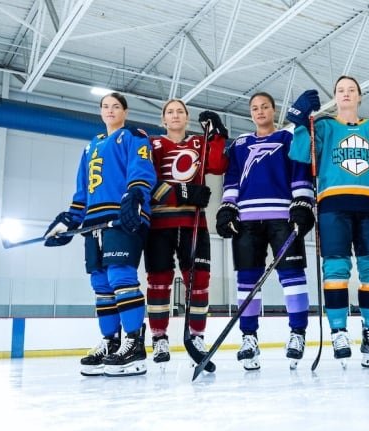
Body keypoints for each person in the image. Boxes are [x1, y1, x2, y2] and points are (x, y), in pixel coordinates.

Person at [287, 76, 369, 368]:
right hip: (333, 207)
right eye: (340, 90)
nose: (346, 94)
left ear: (360, 96)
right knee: (336, 269)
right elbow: (300, 153)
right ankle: (339, 332)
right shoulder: (324, 127)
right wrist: (300, 121)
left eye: (351, 89)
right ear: (335, 97)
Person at [44, 92, 156, 377]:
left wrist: (135, 195)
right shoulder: (90, 146)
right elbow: (82, 190)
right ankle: (111, 342)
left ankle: (134, 343)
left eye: (115, 106)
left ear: (125, 111)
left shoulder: (133, 135)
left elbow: (140, 168)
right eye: (105, 106)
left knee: (121, 277)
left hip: (121, 217)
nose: (109, 110)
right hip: (93, 223)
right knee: (102, 284)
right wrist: (69, 220)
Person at [216, 92, 315, 370]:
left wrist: (303, 202)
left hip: (282, 216)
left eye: (265, 107)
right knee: (247, 280)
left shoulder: (287, 139)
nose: (259, 112)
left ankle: (297, 333)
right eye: (255, 108)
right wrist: (227, 207)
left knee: (292, 276)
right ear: (250, 113)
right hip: (246, 219)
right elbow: (232, 178)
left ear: (274, 110)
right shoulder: (240, 144)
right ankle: (249, 338)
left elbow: (299, 171)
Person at [144, 99, 228, 369]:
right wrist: (182, 192)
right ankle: (159, 337)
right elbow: (146, 180)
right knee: (158, 281)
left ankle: (197, 336)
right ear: (163, 119)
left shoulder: (198, 143)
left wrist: (218, 135)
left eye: (180, 111)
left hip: (195, 222)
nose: (175, 115)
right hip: (159, 224)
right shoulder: (153, 144)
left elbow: (217, 164)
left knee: (199, 280)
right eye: (170, 111)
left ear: (188, 118)